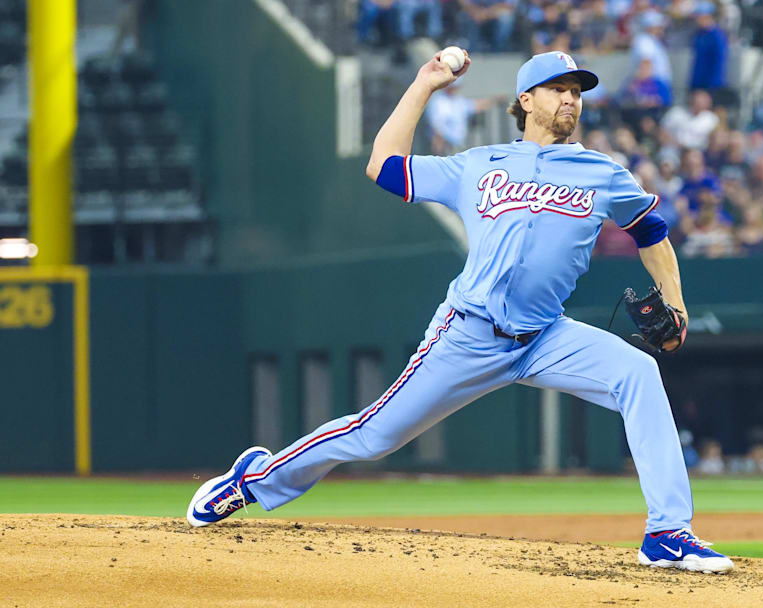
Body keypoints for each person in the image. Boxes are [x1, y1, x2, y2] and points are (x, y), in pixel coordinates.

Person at [185, 49, 734, 575]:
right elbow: (385, 167)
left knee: (638, 372)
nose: (571, 99)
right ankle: (252, 481)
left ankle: (666, 532)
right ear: (525, 99)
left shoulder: (601, 172)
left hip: (546, 334)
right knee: (375, 436)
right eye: (558, 89)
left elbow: (652, 233)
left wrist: (677, 302)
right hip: (469, 333)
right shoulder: (477, 164)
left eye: (577, 91)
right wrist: (424, 84)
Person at [689, 1, 730, 105]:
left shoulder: (717, 37)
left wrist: (710, 88)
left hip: (711, 87)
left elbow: (718, 64)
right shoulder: (699, 34)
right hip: (697, 84)